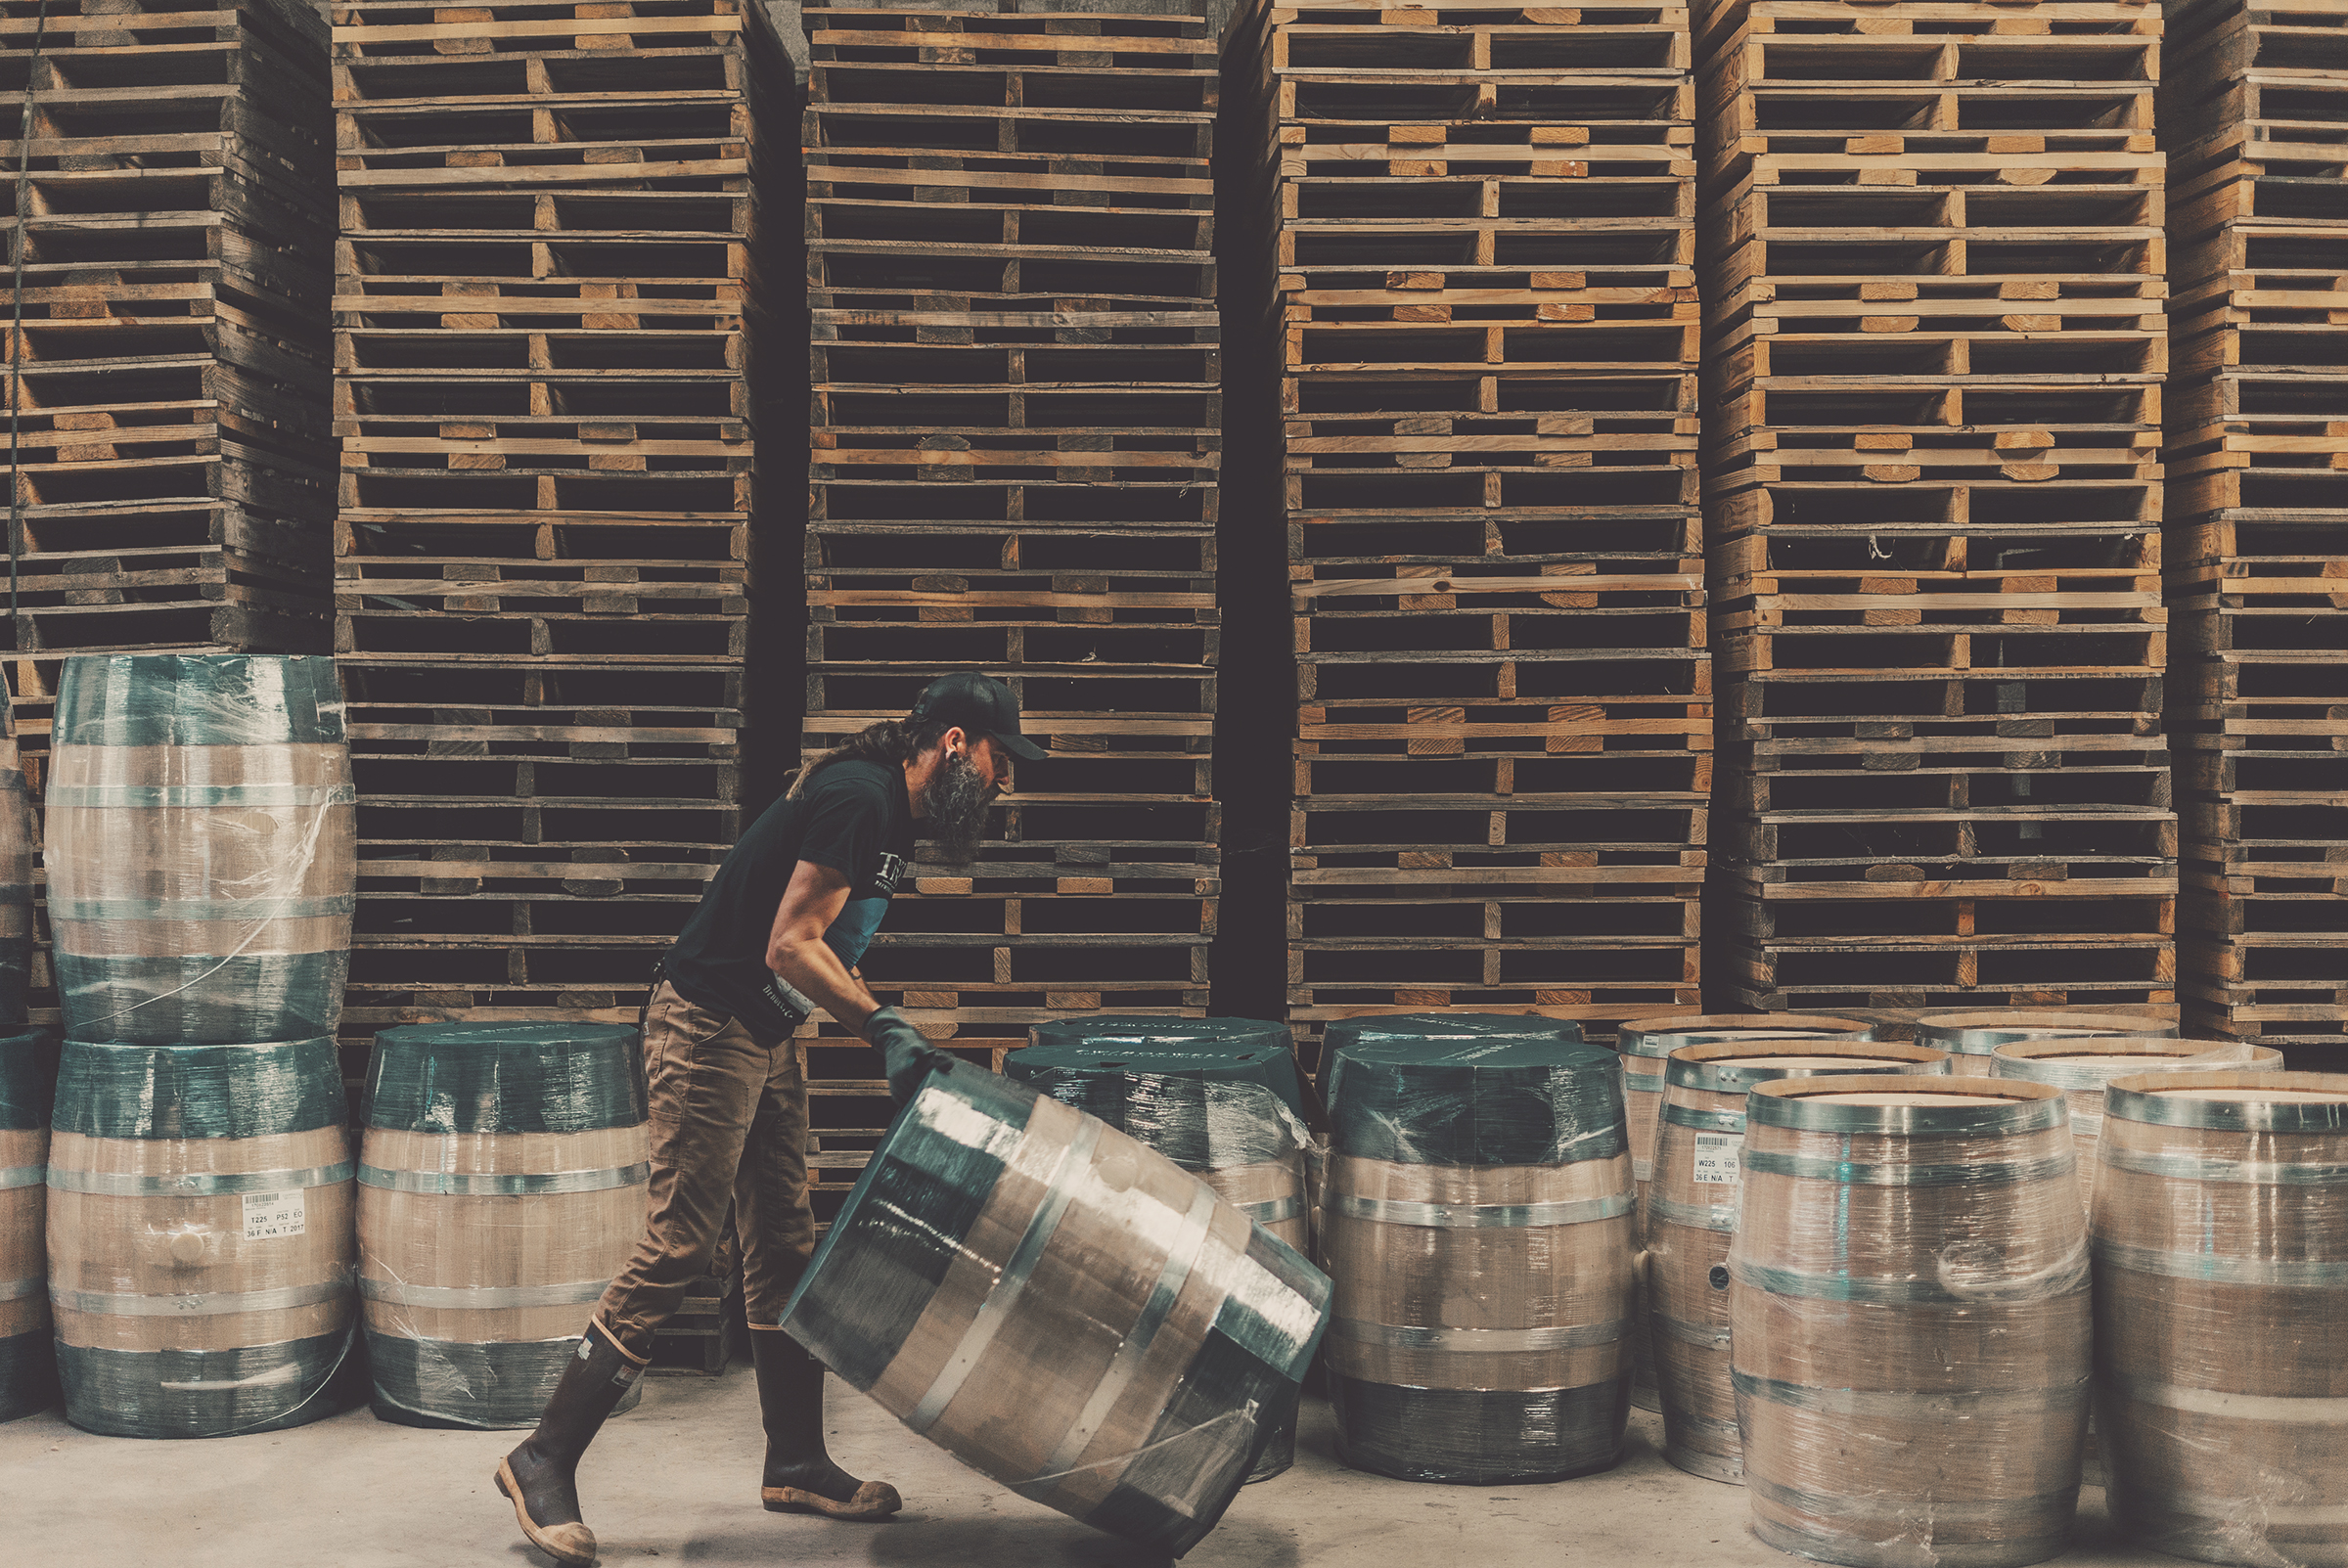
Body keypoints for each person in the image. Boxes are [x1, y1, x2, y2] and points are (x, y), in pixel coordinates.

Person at [495, 672, 1045, 1567]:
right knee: (679, 1242)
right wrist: (883, 1025)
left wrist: (865, 1021)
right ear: (953, 743)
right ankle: (542, 1456)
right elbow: (789, 941)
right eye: (998, 760)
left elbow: (807, 948)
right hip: (709, 1020)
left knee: (785, 1240)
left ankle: (794, 1460)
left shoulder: (888, 818)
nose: (1004, 781)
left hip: (766, 1029)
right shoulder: (862, 799)